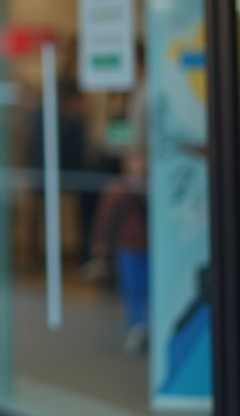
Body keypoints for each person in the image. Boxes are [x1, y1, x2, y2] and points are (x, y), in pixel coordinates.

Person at [88, 150, 149, 354]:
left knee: (149, 289)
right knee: (132, 288)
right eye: (136, 160)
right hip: (129, 246)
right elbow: (106, 220)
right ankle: (137, 328)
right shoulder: (118, 189)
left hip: (151, 247)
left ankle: (148, 327)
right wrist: (101, 245)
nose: (140, 165)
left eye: (143, 160)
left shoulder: (155, 185)